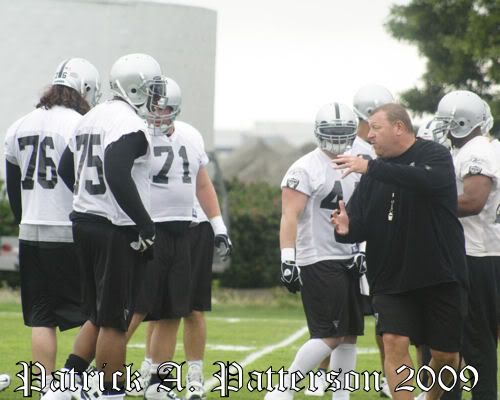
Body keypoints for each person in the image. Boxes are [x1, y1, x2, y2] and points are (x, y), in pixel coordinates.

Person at [42, 53, 163, 400]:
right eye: (152, 90)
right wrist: (145, 225)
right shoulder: (130, 125)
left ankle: (63, 388)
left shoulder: (90, 117)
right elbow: (114, 170)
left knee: (97, 314)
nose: (156, 98)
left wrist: (88, 199)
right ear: (137, 88)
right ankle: (111, 394)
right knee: (114, 319)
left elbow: (66, 168)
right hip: (114, 228)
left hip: (84, 222)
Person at [331, 103, 468, 400]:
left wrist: (371, 166)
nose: (369, 137)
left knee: (446, 356)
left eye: (375, 128)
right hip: (390, 276)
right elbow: (359, 225)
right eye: (367, 130)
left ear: (399, 128)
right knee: (393, 341)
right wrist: (345, 228)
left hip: (440, 274)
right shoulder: (371, 175)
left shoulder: (434, 155)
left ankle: (429, 397)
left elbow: (426, 180)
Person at [123, 76, 231, 400]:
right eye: (153, 107)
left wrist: (218, 225)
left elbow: (202, 184)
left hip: (183, 230)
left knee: (172, 309)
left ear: (175, 107)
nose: (158, 113)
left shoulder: (191, 135)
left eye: (164, 107)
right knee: (137, 309)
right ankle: (100, 371)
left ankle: (159, 380)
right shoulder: (135, 135)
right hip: (148, 229)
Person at [4, 58, 100, 392]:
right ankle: (77, 378)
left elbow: (13, 187)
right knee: (99, 310)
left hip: (31, 230)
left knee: (42, 317)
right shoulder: (80, 125)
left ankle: (47, 388)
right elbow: (85, 181)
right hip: (70, 230)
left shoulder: (18, 126)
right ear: (86, 90)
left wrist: (23, 222)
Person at [265, 102, 365, 400]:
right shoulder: (305, 167)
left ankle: (341, 396)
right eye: (330, 132)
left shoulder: (357, 164)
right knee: (330, 335)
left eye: (341, 132)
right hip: (319, 257)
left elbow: (362, 214)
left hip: (348, 258)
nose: (336, 139)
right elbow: (289, 216)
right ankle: (282, 390)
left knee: (349, 336)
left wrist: (362, 248)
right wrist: (287, 260)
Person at [433, 90, 500, 399]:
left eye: (447, 123)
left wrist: (426, 202)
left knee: (474, 345)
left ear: (460, 123)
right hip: (480, 253)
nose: (443, 129)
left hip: (476, 257)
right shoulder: (484, 147)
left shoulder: (475, 152)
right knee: (460, 343)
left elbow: (473, 201)